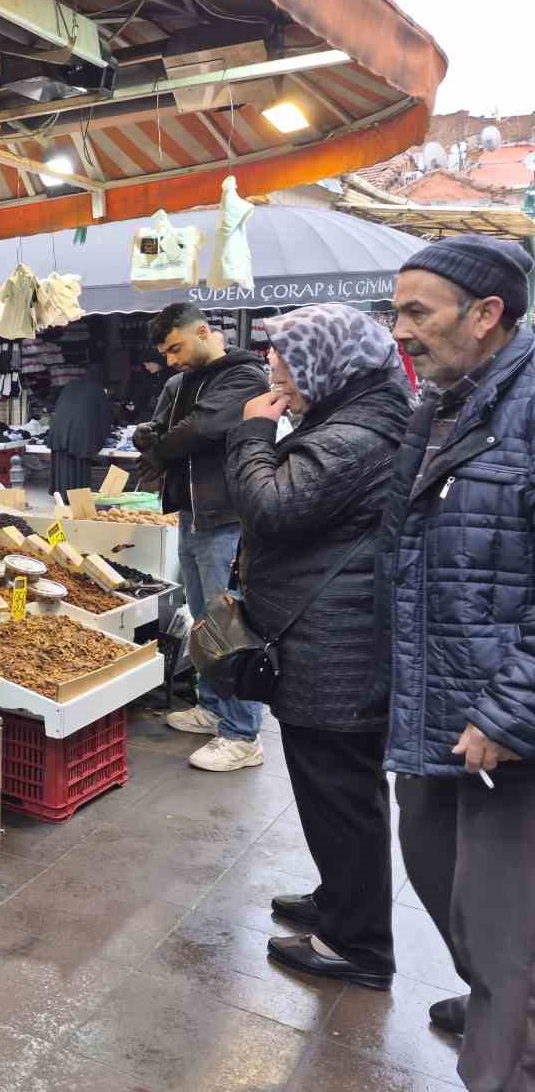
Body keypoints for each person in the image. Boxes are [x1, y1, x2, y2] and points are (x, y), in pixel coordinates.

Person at [376, 237, 535, 1091]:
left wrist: (511, 713)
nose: (399, 330)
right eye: (395, 310)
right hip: (435, 716)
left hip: (501, 737)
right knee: (444, 891)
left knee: (505, 935)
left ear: (486, 316)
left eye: (417, 312)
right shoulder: (440, 403)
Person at [223, 304, 412, 989]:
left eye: (287, 365)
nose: (277, 377)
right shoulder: (360, 420)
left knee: (339, 793)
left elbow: (271, 508)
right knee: (339, 792)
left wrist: (252, 435)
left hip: (337, 646)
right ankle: (341, 900)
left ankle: (357, 945)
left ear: (332, 366)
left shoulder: (351, 437)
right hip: (334, 635)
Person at [135, 303, 269, 771]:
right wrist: (154, 437)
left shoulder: (245, 375)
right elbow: (168, 430)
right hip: (193, 514)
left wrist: (159, 442)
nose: (171, 360)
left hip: (227, 516)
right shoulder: (186, 380)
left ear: (204, 331)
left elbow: (201, 429)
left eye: (176, 347)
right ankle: (213, 709)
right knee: (201, 618)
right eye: (166, 353)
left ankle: (243, 733)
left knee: (228, 620)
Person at [47, 365, 113, 494]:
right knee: (78, 468)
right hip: (80, 434)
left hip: (59, 431)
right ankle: (76, 497)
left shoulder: (70, 385)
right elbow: (104, 416)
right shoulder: (97, 389)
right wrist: (104, 434)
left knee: (62, 465)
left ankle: (61, 495)